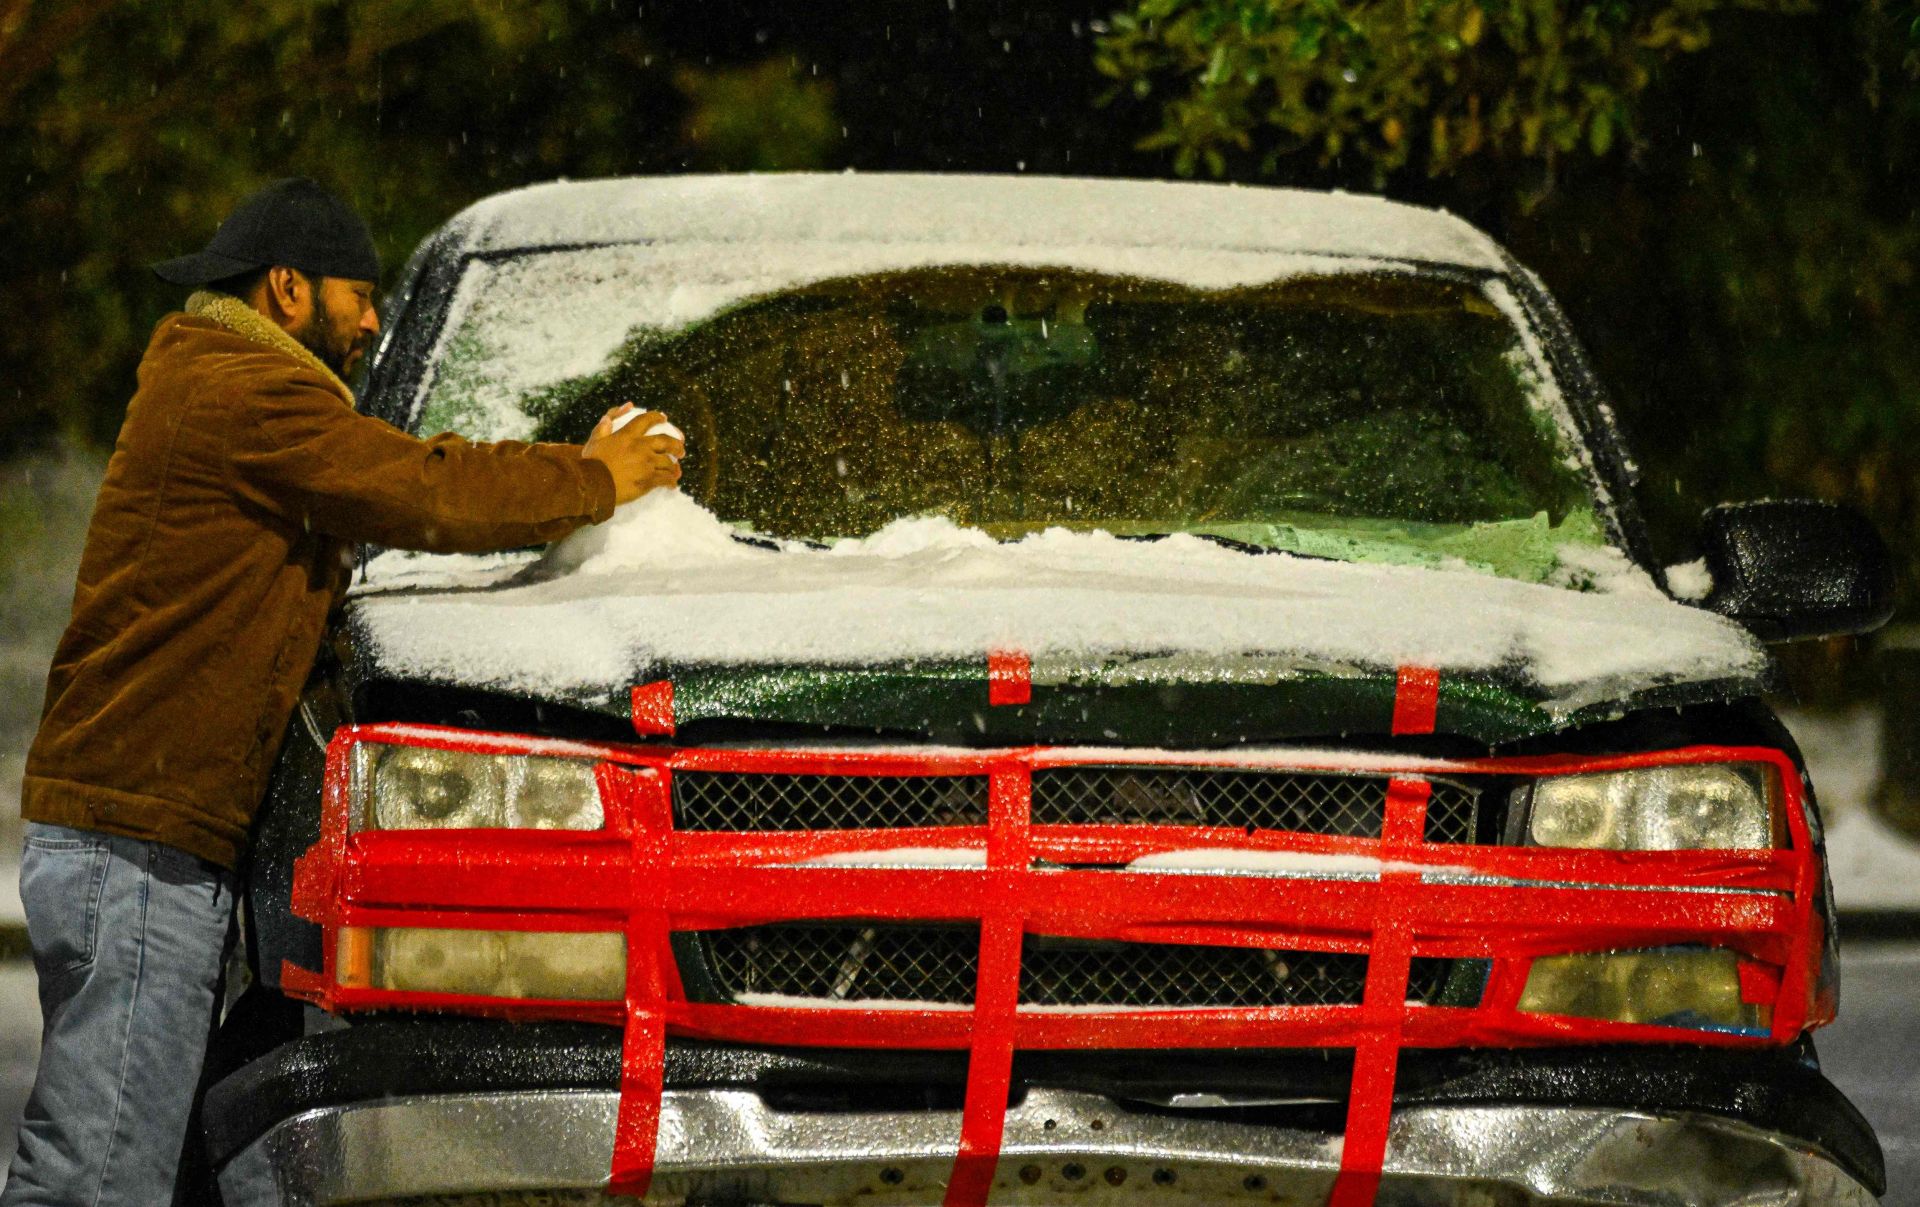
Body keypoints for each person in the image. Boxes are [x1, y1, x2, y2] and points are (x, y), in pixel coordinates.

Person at [2, 177, 682, 1206]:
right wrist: (592, 479)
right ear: (286, 289)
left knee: (143, 1156)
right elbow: (420, 484)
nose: (372, 319)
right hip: (138, 845)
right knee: (99, 1170)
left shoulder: (210, 385)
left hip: (136, 836)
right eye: (357, 293)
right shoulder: (243, 388)